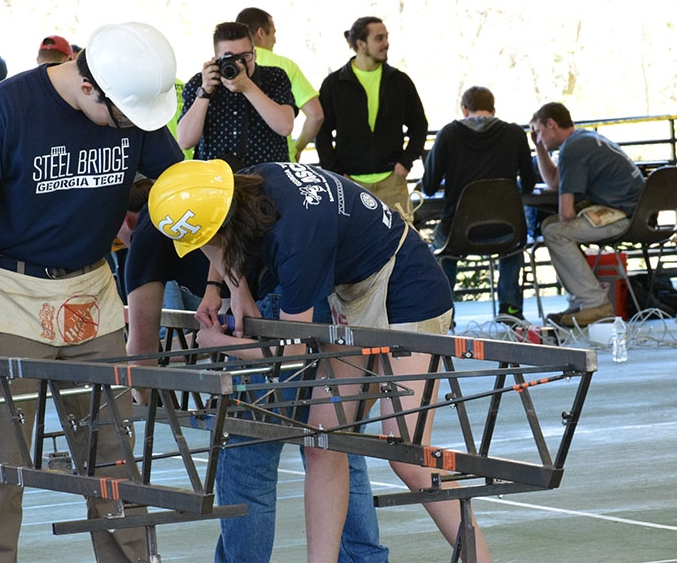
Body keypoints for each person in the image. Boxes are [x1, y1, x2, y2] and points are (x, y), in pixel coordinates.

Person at [0, 22, 184, 563]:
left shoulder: (130, 102)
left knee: (112, 458)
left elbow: (183, 187)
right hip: (7, 296)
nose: (128, 128)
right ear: (90, 87)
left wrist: (223, 284)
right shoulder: (7, 107)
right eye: (121, 117)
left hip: (91, 291)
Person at [149, 160, 492, 563]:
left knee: (409, 455)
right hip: (352, 288)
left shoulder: (297, 239)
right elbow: (218, 242)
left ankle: (480, 559)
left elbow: (293, 355)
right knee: (322, 441)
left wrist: (216, 341)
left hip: (408, 287)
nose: (208, 252)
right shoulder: (245, 184)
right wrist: (223, 286)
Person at [120, 172, 389, 562]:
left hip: (277, 306)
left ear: (125, 219)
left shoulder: (149, 233)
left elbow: (142, 344)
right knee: (335, 444)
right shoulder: (206, 191)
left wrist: (138, 401)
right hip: (321, 292)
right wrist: (223, 288)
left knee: (249, 459)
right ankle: (364, 558)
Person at [422, 86, 537, 320]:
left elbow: (429, 186)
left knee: (442, 244)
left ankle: (444, 314)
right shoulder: (515, 134)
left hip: (460, 232)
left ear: (465, 110)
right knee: (514, 245)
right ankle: (510, 311)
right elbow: (528, 184)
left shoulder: (448, 134)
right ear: (493, 110)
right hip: (507, 230)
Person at [530, 102, 645, 327]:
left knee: (555, 232)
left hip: (623, 217)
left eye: (538, 131)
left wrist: (573, 217)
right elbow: (554, 182)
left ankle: (594, 304)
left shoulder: (573, 148)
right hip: (636, 213)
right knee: (550, 226)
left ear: (551, 124)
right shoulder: (582, 139)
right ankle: (580, 302)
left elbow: (565, 213)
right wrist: (540, 148)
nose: (537, 137)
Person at [316, 16, 428, 217]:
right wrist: (336, 173)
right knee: (354, 246)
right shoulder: (334, 84)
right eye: (379, 38)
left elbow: (419, 125)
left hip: (393, 183)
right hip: (350, 184)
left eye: (386, 37)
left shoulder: (400, 81)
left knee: (402, 244)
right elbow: (321, 132)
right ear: (360, 44)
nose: (386, 43)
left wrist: (405, 163)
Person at [177, 21, 296, 168]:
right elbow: (185, 141)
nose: (239, 63)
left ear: (255, 54)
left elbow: (285, 127)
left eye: (244, 56)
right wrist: (205, 93)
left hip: (268, 179)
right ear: (215, 59)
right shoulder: (201, 82)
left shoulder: (274, 77)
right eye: (230, 57)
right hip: (216, 181)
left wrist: (249, 87)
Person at [235, 7, 324, 162]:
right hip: (280, 159)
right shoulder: (285, 66)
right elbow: (316, 115)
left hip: (234, 162)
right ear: (261, 33)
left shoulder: (224, 67)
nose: (275, 39)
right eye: (274, 33)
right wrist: (298, 147)